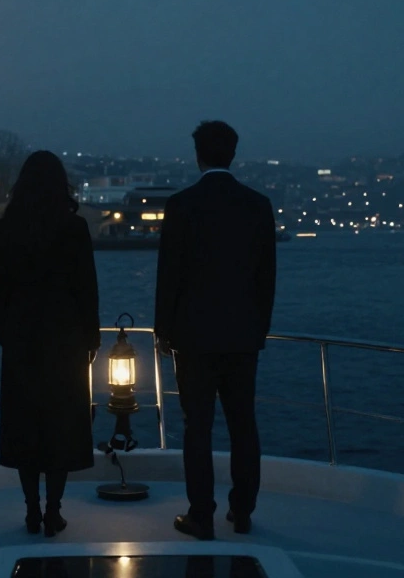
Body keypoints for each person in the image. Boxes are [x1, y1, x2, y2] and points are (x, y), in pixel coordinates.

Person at [155, 120, 277, 540]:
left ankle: (200, 516)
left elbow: (169, 276)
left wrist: (162, 331)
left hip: (193, 337)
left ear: (198, 155)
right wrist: (258, 328)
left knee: (197, 427)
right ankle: (242, 512)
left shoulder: (182, 205)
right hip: (243, 336)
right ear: (233, 154)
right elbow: (266, 279)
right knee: (244, 424)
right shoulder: (258, 206)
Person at [0, 150, 100, 537]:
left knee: (25, 424)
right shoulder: (74, 229)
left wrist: (6, 332)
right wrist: (92, 337)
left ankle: (32, 510)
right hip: (64, 339)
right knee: (60, 424)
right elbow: (86, 288)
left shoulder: (8, 229)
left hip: (21, 339)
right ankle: (54, 510)